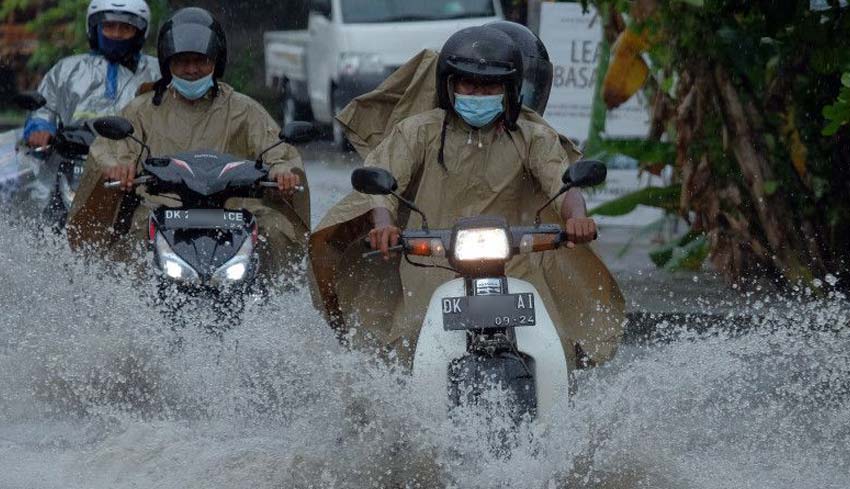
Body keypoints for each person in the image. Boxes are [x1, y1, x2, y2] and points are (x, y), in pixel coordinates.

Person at [309, 25, 625, 370]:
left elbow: (562, 181)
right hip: (431, 265)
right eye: (468, 84)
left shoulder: (534, 136)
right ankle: (400, 421)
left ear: (509, 90)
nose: (478, 93)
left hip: (516, 267)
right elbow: (387, 180)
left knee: (557, 350)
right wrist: (384, 224)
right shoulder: (418, 131)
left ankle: (562, 422)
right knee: (404, 350)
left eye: (490, 86)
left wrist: (576, 217)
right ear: (449, 86)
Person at [67, 7, 310, 280]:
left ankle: (274, 305)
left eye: (200, 60)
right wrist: (118, 166)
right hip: (161, 210)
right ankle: (131, 306)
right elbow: (112, 148)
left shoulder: (244, 109)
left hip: (235, 211)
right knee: (133, 235)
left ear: (216, 61)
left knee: (277, 230)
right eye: (182, 61)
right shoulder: (143, 108)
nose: (192, 70)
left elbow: (278, 149)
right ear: (167, 61)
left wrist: (282, 171)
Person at [23, 0, 160, 148]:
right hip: (69, 160)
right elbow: (44, 109)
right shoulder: (67, 70)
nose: (116, 34)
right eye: (109, 26)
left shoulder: (156, 71)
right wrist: (41, 128)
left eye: (126, 28)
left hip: (134, 162)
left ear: (139, 33)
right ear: (95, 29)